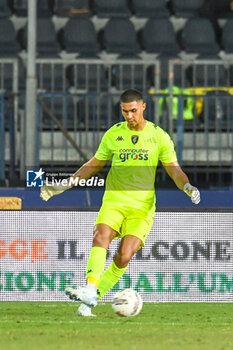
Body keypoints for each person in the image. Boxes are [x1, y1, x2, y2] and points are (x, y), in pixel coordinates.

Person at [40, 89, 200, 317]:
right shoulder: (114, 134)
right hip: (115, 200)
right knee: (101, 236)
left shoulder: (159, 136)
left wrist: (187, 186)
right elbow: (94, 164)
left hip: (142, 208)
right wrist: (66, 183)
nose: (129, 116)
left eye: (133, 111)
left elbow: (174, 171)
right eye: (125, 111)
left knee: (124, 255)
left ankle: (88, 302)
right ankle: (89, 288)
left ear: (143, 107)